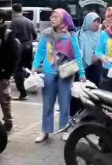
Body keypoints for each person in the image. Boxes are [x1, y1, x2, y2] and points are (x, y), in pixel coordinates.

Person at [32, 9, 85, 143]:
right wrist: (35, 66)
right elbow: (40, 51)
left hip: (66, 73)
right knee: (48, 103)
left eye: (56, 16)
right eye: (52, 16)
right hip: (49, 72)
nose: (52, 19)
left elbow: (78, 55)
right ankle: (45, 130)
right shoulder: (46, 34)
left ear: (63, 19)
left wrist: (82, 74)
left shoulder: (71, 35)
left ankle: (65, 129)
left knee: (64, 103)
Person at [10, 3, 37, 100]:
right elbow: (34, 35)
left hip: (19, 48)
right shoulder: (29, 21)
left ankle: (23, 93)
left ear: (13, 11)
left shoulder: (14, 22)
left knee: (18, 69)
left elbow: (11, 37)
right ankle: (34, 84)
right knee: (30, 67)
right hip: (29, 47)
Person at [78, 12, 102, 86]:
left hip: (98, 67)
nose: (96, 24)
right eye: (94, 21)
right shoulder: (79, 35)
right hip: (82, 67)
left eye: (98, 22)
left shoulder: (102, 35)